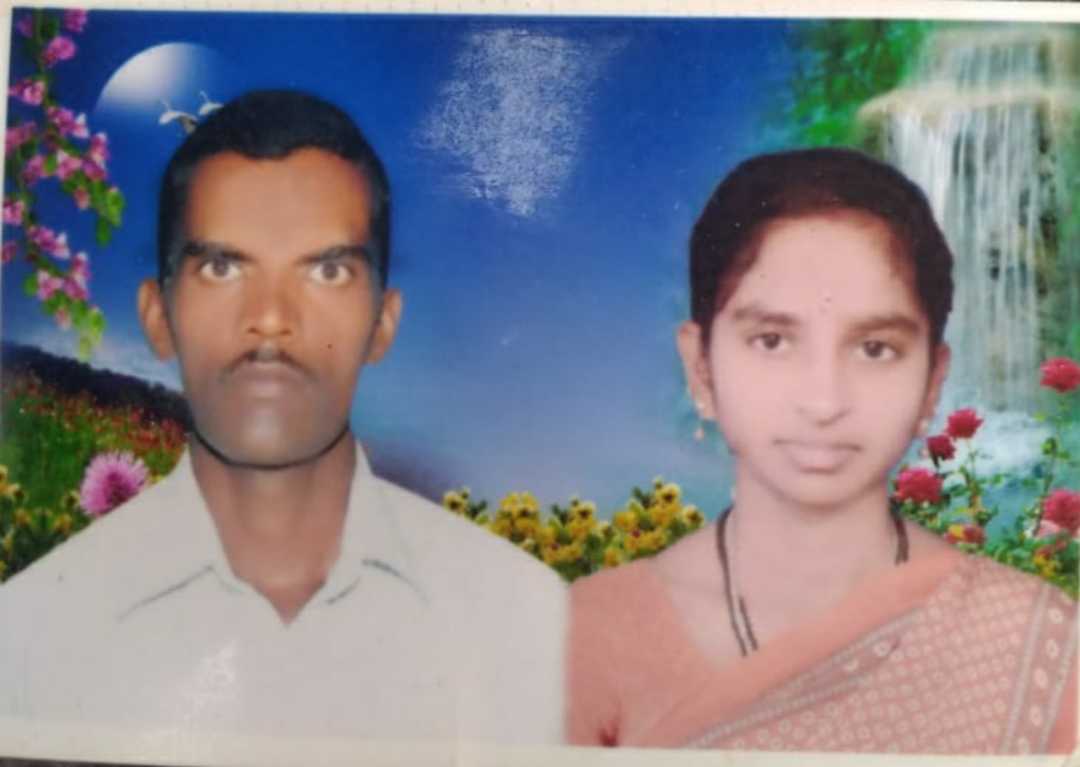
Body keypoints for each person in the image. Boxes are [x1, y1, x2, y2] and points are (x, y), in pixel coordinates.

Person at [0, 90, 566, 746]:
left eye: (327, 270)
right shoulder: (29, 634)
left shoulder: (528, 619)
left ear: (383, 323)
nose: (270, 318)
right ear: (158, 316)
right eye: (222, 267)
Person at [566, 148, 1077, 754]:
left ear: (932, 382)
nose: (824, 401)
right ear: (700, 367)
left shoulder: (1038, 648)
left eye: (875, 349)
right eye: (772, 340)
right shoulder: (590, 634)